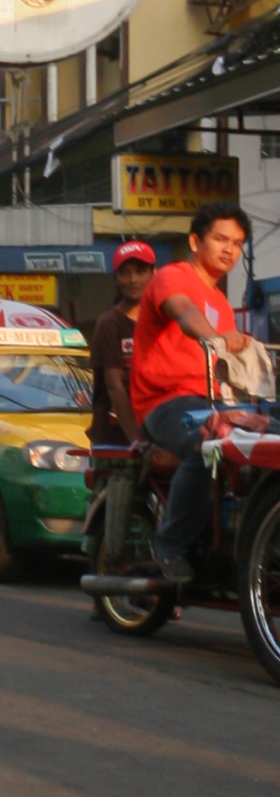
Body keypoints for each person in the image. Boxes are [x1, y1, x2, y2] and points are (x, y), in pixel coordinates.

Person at [130, 202, 252, 586]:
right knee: (209, 443)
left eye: (237, 242)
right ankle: (170, 545)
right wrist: (218, 339)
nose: (230, 249)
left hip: (210, 402)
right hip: (164, 404)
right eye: (220, 239)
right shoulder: (173, 277)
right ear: (195, 241)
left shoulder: (221, 304)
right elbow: (183, 313)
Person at [89, 240, 156, 446]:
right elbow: (114, 385)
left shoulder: (161, 321)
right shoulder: (109, 324)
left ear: (154, 274)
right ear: (116, 280)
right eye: (125, 272)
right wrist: (136, 439)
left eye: (140, 271)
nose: (133, 279)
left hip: (154, 426)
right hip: (115, 436)